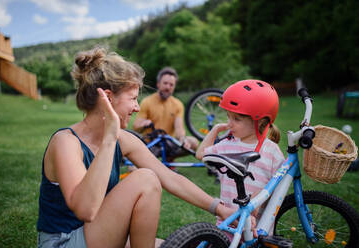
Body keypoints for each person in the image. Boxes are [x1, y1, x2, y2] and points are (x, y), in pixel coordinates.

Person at [37, 46, 235, 248]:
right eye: (132, 98)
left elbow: (170, 178)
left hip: (97, 234)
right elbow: (85, 210)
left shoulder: (123, 140)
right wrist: (109, 138)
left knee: (174, 246)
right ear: (108, 98)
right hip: (64, 241)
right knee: (145, 179)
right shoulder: (66, 142)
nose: (137, 107)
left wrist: (219, 208)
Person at [196, 79, 285, 239]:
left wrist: (257, 198)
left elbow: (279, 186)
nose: (229, 124)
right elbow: (201, 154)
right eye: (228, 117)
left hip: (258, 228)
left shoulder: (272, 151)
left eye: (237, 119)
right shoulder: (227, 145)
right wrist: (215, 130)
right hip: (228, 224)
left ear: (260, 122)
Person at [132, 67, 198, 159]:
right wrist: (144, 124)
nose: (168, 87)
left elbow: (179, 129)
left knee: (193, 142)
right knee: (133, 168)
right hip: (151, 143)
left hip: (168, 143)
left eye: (171, 85)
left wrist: (183, 140)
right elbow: (136, 127)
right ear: (158, 84)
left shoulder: (178, 104)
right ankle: (152, 163)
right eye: (165, 83)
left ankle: (169, 160)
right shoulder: (147, 102)